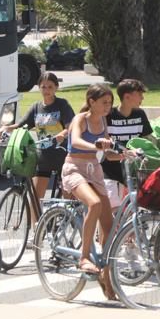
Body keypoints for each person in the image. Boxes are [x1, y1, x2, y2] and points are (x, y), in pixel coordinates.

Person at [62, 83, 118, 296]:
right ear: (91, 102)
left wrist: (126, 154)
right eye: (104, 102)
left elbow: (109, 151)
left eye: (110, 103)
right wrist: (96, 145)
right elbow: (75, 140)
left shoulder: (103, 121)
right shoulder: (81, 119)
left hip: (94, 170)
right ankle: (83, 257)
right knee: (93, 204)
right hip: (74, 168)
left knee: (109, 226)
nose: (108, 106)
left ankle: (105, 271)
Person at [0, 71, 75, 200]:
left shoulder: (62, 105)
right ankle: (35, 221)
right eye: (43, 87)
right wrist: (6, 127)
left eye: (50, 87)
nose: (46, 90)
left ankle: (69, 218)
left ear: (56, 88)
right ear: (39, 88)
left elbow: (71, 126)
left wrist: (63, 133)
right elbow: (22, 125)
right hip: (43, 157)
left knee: (68, 198)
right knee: (35, 198)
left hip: (62, 156)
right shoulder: (36, 107)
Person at [104, 79, 153, 206]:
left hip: (134, 172)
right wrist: (127, 154)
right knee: (112, 209)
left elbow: (147, 141)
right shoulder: (108, 116)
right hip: (111, 172)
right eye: (139, 94)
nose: (142, 98)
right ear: (127, 97)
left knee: (132, 211)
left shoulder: (140, 114)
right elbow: (107, 153)